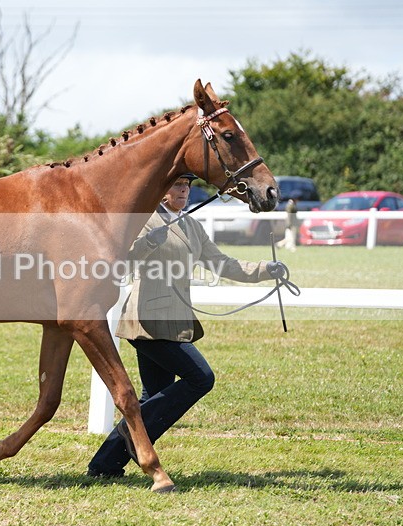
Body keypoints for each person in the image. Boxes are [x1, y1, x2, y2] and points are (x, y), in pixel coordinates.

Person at [87, 173, 287, 478]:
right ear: (162, 190)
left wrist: (265, 270)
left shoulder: (191, 226)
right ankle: (125, 446)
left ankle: (104, 465)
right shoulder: (145, 220)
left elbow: (222, 263)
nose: (183, 190)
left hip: (175, 319)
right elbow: (123, 261)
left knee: (154, 396)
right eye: (177, 185)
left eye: (187, 186)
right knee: (201, 378)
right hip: (148, 320)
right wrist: (145, 245)